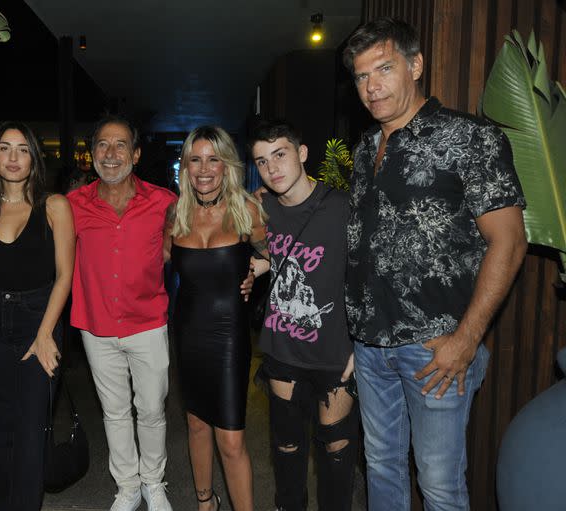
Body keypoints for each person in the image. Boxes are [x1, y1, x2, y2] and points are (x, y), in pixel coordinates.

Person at [342, 17, 528, 511]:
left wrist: (466, 341)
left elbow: (508, 242)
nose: (371, 86)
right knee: (381, 468)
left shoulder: (469, 138)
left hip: (436, 352)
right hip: (371, 346)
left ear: (416, 65)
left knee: (440, 485)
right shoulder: (364, 150)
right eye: (361, 76)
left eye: (383, 68)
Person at [67, 115, 178, 511]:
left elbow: (192, 239)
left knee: (151, 410)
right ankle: (128, 486)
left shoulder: (164, 201)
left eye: (119, 146)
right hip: (95, 326)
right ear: (92, 152)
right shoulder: (73, 205)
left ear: (135, 153)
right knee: (114, 413)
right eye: (102, 145)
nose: (110, 154)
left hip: (148, 323)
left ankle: (153, 482)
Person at [247, 120, 358, 511]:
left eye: (280, 154)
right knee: (287, 446)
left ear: (303, 153)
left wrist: (361, 344)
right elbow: (267, 254)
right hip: (283, 349)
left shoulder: (342, 207)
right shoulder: (261, 209)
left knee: (336, 449)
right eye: (262, 161)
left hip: (334, 352)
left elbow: (366, 277)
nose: (272, 168)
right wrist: (255, 267)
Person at [0, 122, 74, 510]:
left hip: (37, 318)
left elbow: (65, 276)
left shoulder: (54, 206)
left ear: (34, 157)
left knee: (31, 430)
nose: (13, 158)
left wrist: (46, 333)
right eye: (5, 149)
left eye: (22, 149)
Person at [170, 126, 268, 511]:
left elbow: (286, 253)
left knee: (230, 439)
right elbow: (152, 263)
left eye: (214, 159)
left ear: (227, 165)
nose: (204, 168)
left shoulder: (249, 210)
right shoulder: (175, 214)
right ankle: (205, 503)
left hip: (229, 335)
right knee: (195, 425)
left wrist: (256, 269)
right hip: (188, 332)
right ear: (186, 167)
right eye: (196, 159)